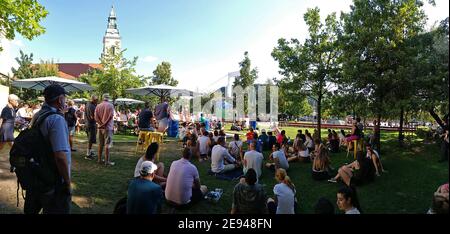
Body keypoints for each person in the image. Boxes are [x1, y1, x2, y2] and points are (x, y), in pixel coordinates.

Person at [25, 84, 71, 214]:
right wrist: (67, 182)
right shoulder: (56, 119)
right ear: (60, 99)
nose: (65, 100)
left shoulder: (38, 114)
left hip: (37, 172)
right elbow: (60, 156)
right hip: (53, 178)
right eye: (64, 98)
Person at [94, 93, 115, 166]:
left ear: (103, 98)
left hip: (100, 128)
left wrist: (101, 124)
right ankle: (107, 161)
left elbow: (96, 117)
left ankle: (99, 159)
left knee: (100, 144)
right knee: (107, 144)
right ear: (108, 98)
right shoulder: (110, 105)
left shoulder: (98, 105)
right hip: (108, 127)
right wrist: (104, 124)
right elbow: (110, 116)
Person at [84, 95, 98, 160]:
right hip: (91, 124)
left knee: (90, 139)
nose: (97, 102)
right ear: (94, 100)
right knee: (90, 140)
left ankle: (90, 152)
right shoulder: (92, 106)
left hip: (87, 124)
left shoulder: (87, 104)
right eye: (96, 100)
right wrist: (98, 120)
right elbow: (92, 117)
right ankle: (88, 154)